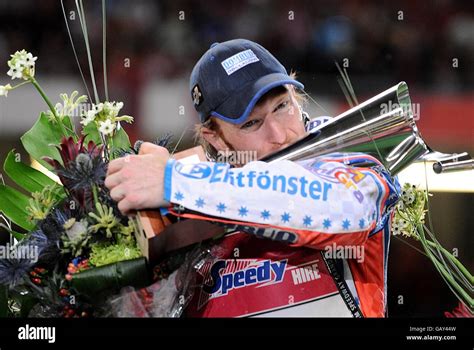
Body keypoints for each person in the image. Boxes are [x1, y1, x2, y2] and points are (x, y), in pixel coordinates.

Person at [105, 39, 399, 317]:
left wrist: (174, 182)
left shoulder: (350, 164)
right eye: (252, 123)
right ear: (216, 138)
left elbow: (343, 211)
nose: (280, 135)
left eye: (282, 106)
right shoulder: (187, 212)